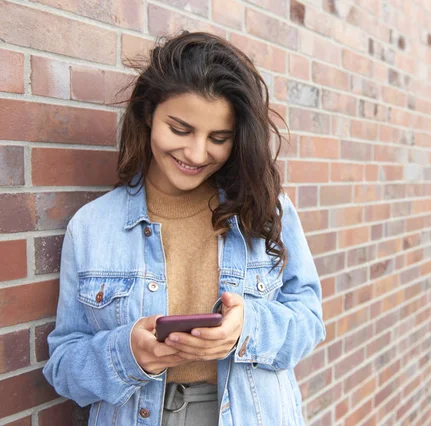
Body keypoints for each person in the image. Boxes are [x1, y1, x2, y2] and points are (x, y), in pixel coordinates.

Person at [42, 31, 325, 426]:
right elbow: (63, 366)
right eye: (180, 129)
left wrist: (248, 328)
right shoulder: (91, 227)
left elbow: (309, 322)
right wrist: (128, 355)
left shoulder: (265, 208)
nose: (195, 153)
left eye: (219, 138)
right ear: (147, 114)